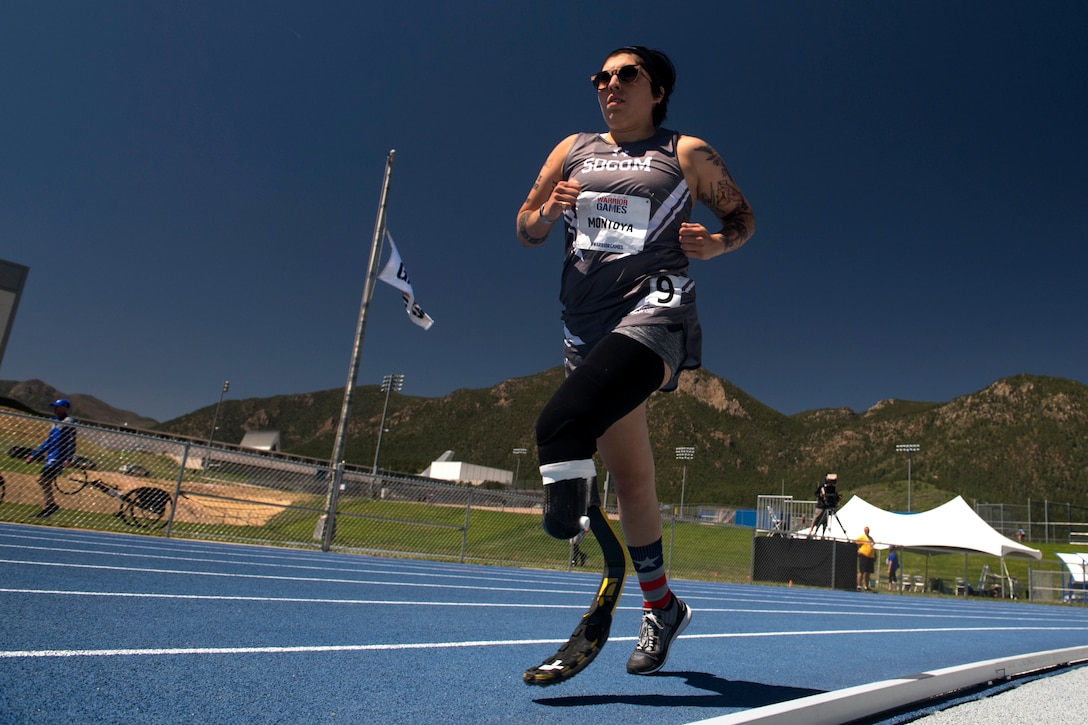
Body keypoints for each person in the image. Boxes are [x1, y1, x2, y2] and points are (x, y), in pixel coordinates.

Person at [516, 45, 754, 676]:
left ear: (657, 93)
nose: (610, 85)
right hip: (583, 329)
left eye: (627, 75)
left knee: (560, 428)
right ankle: (662, 605)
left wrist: (715, 245)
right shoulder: (572, 149)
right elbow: (526, 228)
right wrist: (550, 210)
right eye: (602, 77)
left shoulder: (686, 154)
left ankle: (574, 519)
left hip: (657, 311)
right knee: (632, 482)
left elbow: (742, 217)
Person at [26, 399, 77, 518]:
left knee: (42, 479)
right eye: (54, 407)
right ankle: (48, 506)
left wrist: (68, 457)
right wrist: (35, 454)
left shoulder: (68, 422)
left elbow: (71, 441)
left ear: (64, 408)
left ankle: (50, 505)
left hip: (58, 458)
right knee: (44, 480)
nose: (55, 409)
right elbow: (49, 441)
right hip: (51, 456)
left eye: (57, 407)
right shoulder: (54, 421)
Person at [807, 473, 840, 538]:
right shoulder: (822, 487)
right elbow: (816, 493)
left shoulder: (833, 488)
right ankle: (811, 531)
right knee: (816, 518)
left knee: (825, 520)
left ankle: (823, 534)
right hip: (821, 505)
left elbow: (834, 495)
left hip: (828, 505)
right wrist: (821, 496)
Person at [856, 525, 876, 591]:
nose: (867, 531)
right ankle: (859, 585)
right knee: (861, 571)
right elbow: (855, 543)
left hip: (870, 557)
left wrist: (874, 555)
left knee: (868, 572)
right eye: (866, 530)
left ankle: (866, 586)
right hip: (864, 555)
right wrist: (858, 550)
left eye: (868, 530)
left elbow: (873, 546)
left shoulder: (871, 538)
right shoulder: (862, 537)